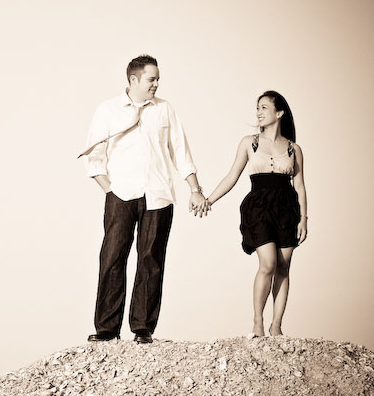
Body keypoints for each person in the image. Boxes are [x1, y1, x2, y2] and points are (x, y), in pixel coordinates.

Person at [79, 55, 209, 345]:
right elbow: (94, 157)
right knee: (112, 258)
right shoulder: (108, 110)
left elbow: (181, 151)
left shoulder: (165, 110)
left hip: (158, 195)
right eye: (152, 79)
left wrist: (195, 189)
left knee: (151, 261)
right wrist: (109, 190)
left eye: (158, 79)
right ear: (134, 79)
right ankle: (106, 329)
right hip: (121, 195)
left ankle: (143, 328)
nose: (157, 84)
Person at [206, 90, 308, 337]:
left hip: (287, 208)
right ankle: (257, 322)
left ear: (279, 113)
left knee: (283, 267)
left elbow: (301, 186)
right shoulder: (249, 143)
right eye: (257, 108)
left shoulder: (294, 149)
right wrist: (209, 200)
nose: (259, 112)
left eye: (264, 107)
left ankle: (276, 325)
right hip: (258, 207)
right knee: (268, 263)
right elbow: (232, 176)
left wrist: (304, 219)